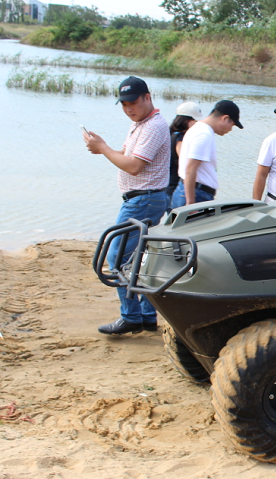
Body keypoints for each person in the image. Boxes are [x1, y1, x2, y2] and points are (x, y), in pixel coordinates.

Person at [83, 76, 170, 335]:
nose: (128, 108)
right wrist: (104, 147)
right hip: (143, 198)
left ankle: (131, 316)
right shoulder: (140, 124)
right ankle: (144, 315)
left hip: (143, 199)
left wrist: (102, 148)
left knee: (117, 258)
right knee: (139, 258)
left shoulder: (153, 125)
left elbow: (133, 166)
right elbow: (125, 156)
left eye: (133, 102)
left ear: (147, 97)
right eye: (123, 104)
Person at [172, 100, 243, 209]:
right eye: (232, 125)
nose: (230, 129)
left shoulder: (197, 128)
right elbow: (190, 168)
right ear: (224, 118)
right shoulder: (204, 134)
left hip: (187, 191)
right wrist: (190, 204)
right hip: (196, 194)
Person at [166, 101, 203, 210]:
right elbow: (186, 162)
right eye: (195, 121)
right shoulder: (180, 138)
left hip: (167, 187)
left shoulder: (170, 134)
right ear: (188, 121)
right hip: (175, 189)